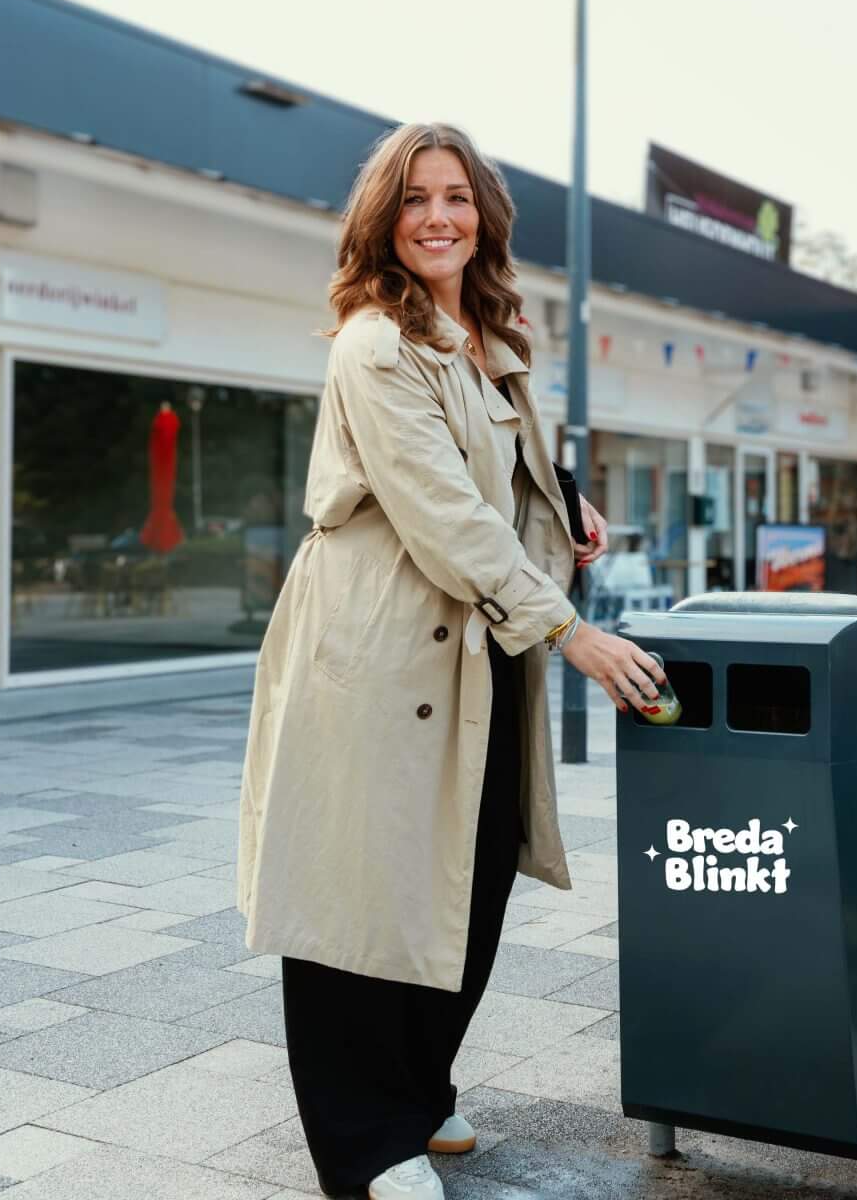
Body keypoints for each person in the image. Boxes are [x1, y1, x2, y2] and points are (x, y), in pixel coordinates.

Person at [237, 122, 666, 1200]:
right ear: (383, 220)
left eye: (457, 197)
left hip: (475, 645)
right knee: (357, 890)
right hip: (379, 644)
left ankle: (418, 1091)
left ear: (485, 217)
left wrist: (563, 492)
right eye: (416, 198)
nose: (438, 216)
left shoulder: (488, 335)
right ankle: (364, 1142)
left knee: (464, 877)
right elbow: (439, 509)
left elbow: (491, 465)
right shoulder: (374, 341)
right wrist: (573, 631)